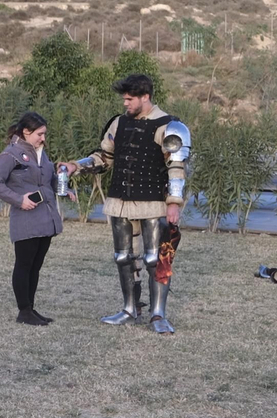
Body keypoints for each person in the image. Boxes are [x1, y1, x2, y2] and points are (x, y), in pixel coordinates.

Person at [60, 72, 191, 335]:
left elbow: (176, 166)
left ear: (146, 97)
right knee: (123, 257)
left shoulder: (169, 125)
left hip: (153, 201)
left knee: (155, 258)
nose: (125, 103)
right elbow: (104, 157)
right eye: (124, 99)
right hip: (119, 200)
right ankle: (130, 309)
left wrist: (174, 203)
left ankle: (157, 314)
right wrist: (77, 166)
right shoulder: (118, 124)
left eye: (130, 99)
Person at [0, 112, 64, 326]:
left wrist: (64, 187)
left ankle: (30, 308)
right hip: (26, 219)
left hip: (46, 219)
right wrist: (18, 200)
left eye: (45, 134)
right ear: (26, 132)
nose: (43, 138)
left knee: (35, 266)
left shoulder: (41, 154)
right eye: (40, 134)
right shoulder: (11, 155)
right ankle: (24, 311)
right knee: (24, 265)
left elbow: (46, 181)